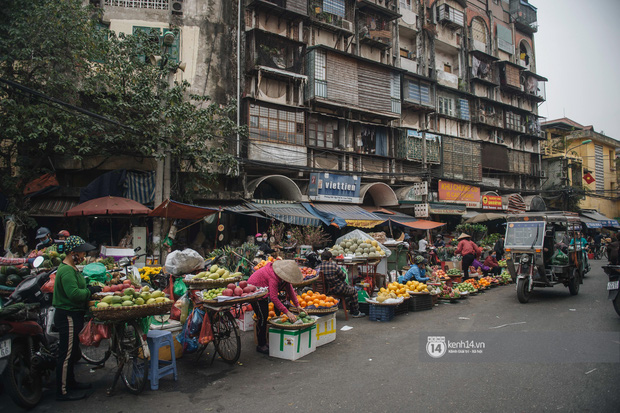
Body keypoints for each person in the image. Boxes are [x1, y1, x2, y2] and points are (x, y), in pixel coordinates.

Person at [53, 236, 101, 401]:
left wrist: (88, 288)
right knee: (66, 354)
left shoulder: (72, 268)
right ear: (72, 253)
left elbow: (78, 288)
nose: (83, 256)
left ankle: (71, 382)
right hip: (67, 315)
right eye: (81, 253)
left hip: (73, 314)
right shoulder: (66, 270)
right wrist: (89, 291)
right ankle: (62, 391)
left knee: (72, 352)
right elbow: (73, 294)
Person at [248, 260, 302, 354]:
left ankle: (264, 342)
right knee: (262, 317)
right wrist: (287, 312)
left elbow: (289, 289)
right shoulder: (273, 277)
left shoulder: (283, 278)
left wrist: (297, 305)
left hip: (264, 291)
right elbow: (273, 298)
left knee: (264, 315)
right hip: (255, 292)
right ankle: (261, 345)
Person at [318, 251, 365, 318]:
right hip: (338, 289)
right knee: (354, 291)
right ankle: (356, 312)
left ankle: (351, 309)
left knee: (348, 289)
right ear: (330, 259)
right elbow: (343, 276)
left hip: (323, 291)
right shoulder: (333, 266)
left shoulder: (317, 267)